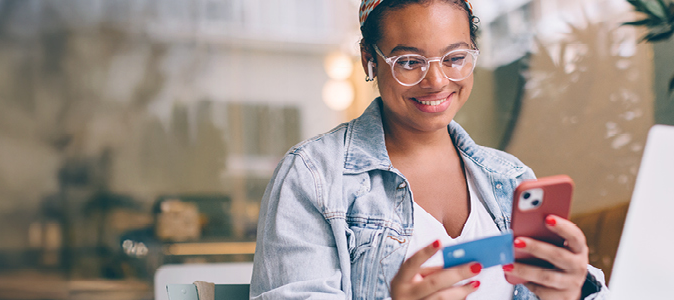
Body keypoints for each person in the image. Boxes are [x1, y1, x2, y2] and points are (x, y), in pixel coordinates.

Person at [247, 0, 609, 299]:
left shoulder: (510, 178)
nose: (436, 82)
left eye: (454, 58)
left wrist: (574, 292)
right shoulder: (313, 177)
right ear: (368, 60)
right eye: (409, 62)